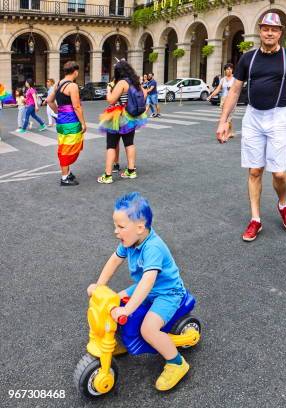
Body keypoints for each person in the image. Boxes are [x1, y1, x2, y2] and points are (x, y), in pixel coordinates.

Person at [215, 12, 286, 242]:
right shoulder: (248, 58)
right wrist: (223, 121)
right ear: (260, 30)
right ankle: (255, 219)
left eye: (274, 29)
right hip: (253, 117)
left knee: (279, 173)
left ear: (280, 33)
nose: (269, 32)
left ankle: (283, 204)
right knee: (255, 170)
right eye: (266, 28)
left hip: (278, 117)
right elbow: (235, 90)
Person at [86, 192, 191, 391]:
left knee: (148, 329)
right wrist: (99, 286)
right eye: (115, 226)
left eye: (121, 227)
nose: (116, 231)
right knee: (113, 302)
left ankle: (177, 363)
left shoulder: (153, 248)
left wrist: (127, 310)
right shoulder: (130, 242)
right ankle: (120, 341)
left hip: (167, 293)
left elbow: (148, 282)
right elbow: (114, 261)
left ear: (140, 227)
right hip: (147, 287)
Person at [97, 60, 148, 184]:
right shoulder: (135, 82)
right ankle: (131, 171)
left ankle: (108, 175)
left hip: (118, 116)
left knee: (111, 145)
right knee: (129, 143)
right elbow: (145, 94)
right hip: (130, 116)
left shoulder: (121, 83)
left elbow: (111, 100)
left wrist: (108, 90)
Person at [45, 61, 86, 186]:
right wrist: (83, 123)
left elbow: (49, 100)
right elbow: (77, 106)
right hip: (71, 121)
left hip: (62, 121)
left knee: (65, 146)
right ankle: (64, 177)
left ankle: (67, 173)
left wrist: (59, 111)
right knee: (69, 148)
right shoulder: (72, 86)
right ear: (75, 72)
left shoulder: (58, 83)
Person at [208, 63, 236, 137]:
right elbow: (218, 89)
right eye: (227, 69)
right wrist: (211, 96)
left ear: (232, 70)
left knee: (229, 117)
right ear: (225, 70)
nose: (229, 70)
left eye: (230, 69)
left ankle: (226, 132)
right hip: (223, 99)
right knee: (225, 116)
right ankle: (230, 132)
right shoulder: (222, 80)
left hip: (231, 99)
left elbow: (237, 89)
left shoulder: (235, 79)